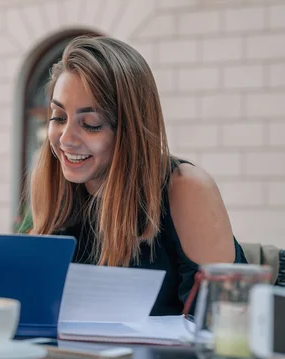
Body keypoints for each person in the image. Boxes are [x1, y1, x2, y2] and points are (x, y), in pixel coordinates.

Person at [29, 36, 247, 315]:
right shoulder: (54, 185)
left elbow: (225, 318)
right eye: (58, 117)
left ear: (130, 131)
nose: (66, 139)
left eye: (91, 124)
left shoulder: (186, 187)